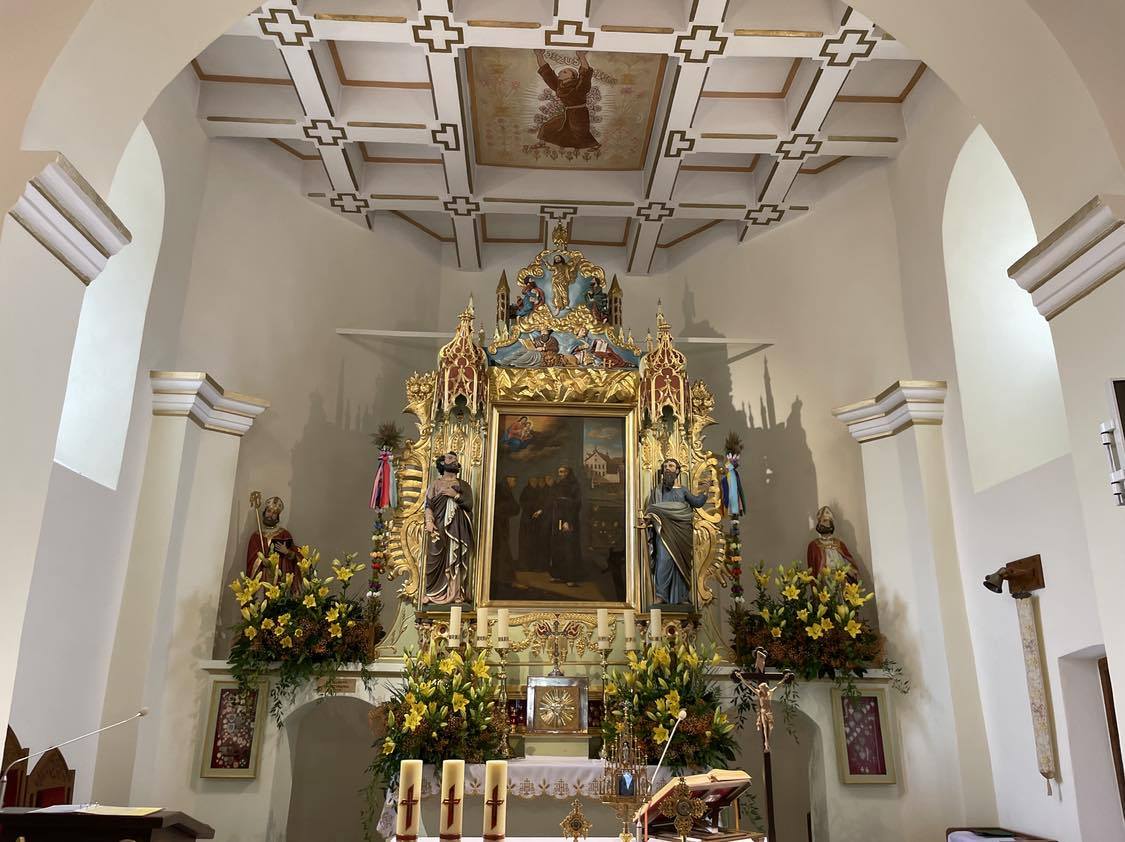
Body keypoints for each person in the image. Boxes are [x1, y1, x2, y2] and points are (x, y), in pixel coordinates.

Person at [644, 459, 707, 604]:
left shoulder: (683, 490)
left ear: (677, 471)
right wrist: (647, 517)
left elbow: (697, 503)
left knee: (682, 564)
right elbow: (651, 509)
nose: (667, 468)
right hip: (664, 531)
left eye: (671, 466)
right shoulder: (657, 491)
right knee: (663, 561)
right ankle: (660, 595)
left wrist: (705, 491)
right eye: (665, 466)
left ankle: (682, 597)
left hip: (682, 532)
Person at [423, 452, 474, 604]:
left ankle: (455, 592)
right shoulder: (435, 484)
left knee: (455, 557)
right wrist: (429, 521)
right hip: (438, 526)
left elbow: (469, 504)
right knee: (434, 558)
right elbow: (428, 505)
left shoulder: (464, 485)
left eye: (456, 460)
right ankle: (432, 593)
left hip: (458, 528)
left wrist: (455, 495)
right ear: (442, 463)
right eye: (450, 459)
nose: (454, 461)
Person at [533, 49, 599, 151]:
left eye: (565, 72)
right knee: (548, 126)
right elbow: (547, 73)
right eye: (561, 71)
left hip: (579, 114)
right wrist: (539, 56)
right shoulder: (559, 86)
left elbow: (585, 75)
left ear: (572, 76)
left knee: (580, 132)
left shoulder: (579, 86)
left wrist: (581, 56)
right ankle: (541, 143)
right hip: (568, 113)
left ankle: (595, 145)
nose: (560, 72)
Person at [246, 496, 300, 589]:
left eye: (274, 513)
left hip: (279, 578)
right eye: (269, 511)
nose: (270, 515)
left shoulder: (284, 534)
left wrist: (287, 552)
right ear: (264, 512)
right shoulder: (256, 536)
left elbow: (295, 557)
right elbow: (251, 559)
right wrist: (261, 560)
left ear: (277, 516)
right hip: (262, 579)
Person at [540, 466, 582, 586]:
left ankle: (570, 578)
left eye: (563, 472)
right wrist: (542, 510)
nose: (560, 474)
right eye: (559, 472)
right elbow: (552, 500)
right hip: (557, 520)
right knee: (557, 547)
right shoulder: (558, 485)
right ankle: (558, 575)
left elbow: (576, 505)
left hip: (568, 520)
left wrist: (568, 521)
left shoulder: (574, 485)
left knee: (568, 549)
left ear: (568, 472)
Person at [806, 505, 860, 580]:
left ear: (831, 524)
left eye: (825, 520)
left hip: (841, 580)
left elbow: (848, 563)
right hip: (824, 582)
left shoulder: (839, 544)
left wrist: (850, 569)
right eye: (819, 521)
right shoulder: (814, 545)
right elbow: (812, 570)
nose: (821, 523)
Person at [492, 475, 523, 590]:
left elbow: (515, 507)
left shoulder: (504, 490)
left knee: (501, 551)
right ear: (508, 479)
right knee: (502, 551)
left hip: (500, 525)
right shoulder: (501, 490)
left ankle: (502, 579)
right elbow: (505, 507)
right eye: (514, 480)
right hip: (497, 526)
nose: (515, 483)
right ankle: (507, 580)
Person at [519, 476, 543, 571]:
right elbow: (522, 502)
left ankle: (534, 565)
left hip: (537, 520)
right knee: (526, 542)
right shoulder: (526, 490)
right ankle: (525, 565)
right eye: (532, 480)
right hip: (527, 519)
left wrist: (538, 510)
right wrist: (531, 507)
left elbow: (542, 504)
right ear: (529, 481)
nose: (534, 482)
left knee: (535, 543)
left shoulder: (539, 490)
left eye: (536, 480)